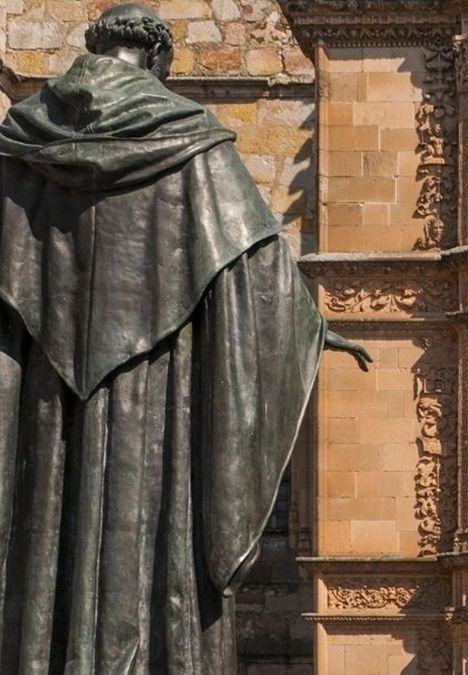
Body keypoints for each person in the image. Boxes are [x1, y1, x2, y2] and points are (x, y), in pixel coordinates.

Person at [0, 5, 370, 673]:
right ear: (159, 60)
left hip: (48, 398)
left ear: (97, 46)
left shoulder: (24, 145)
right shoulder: (192, 141)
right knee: (153, 531)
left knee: (49, 523)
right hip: (157, 390)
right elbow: (254, 266)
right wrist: (312, 330)